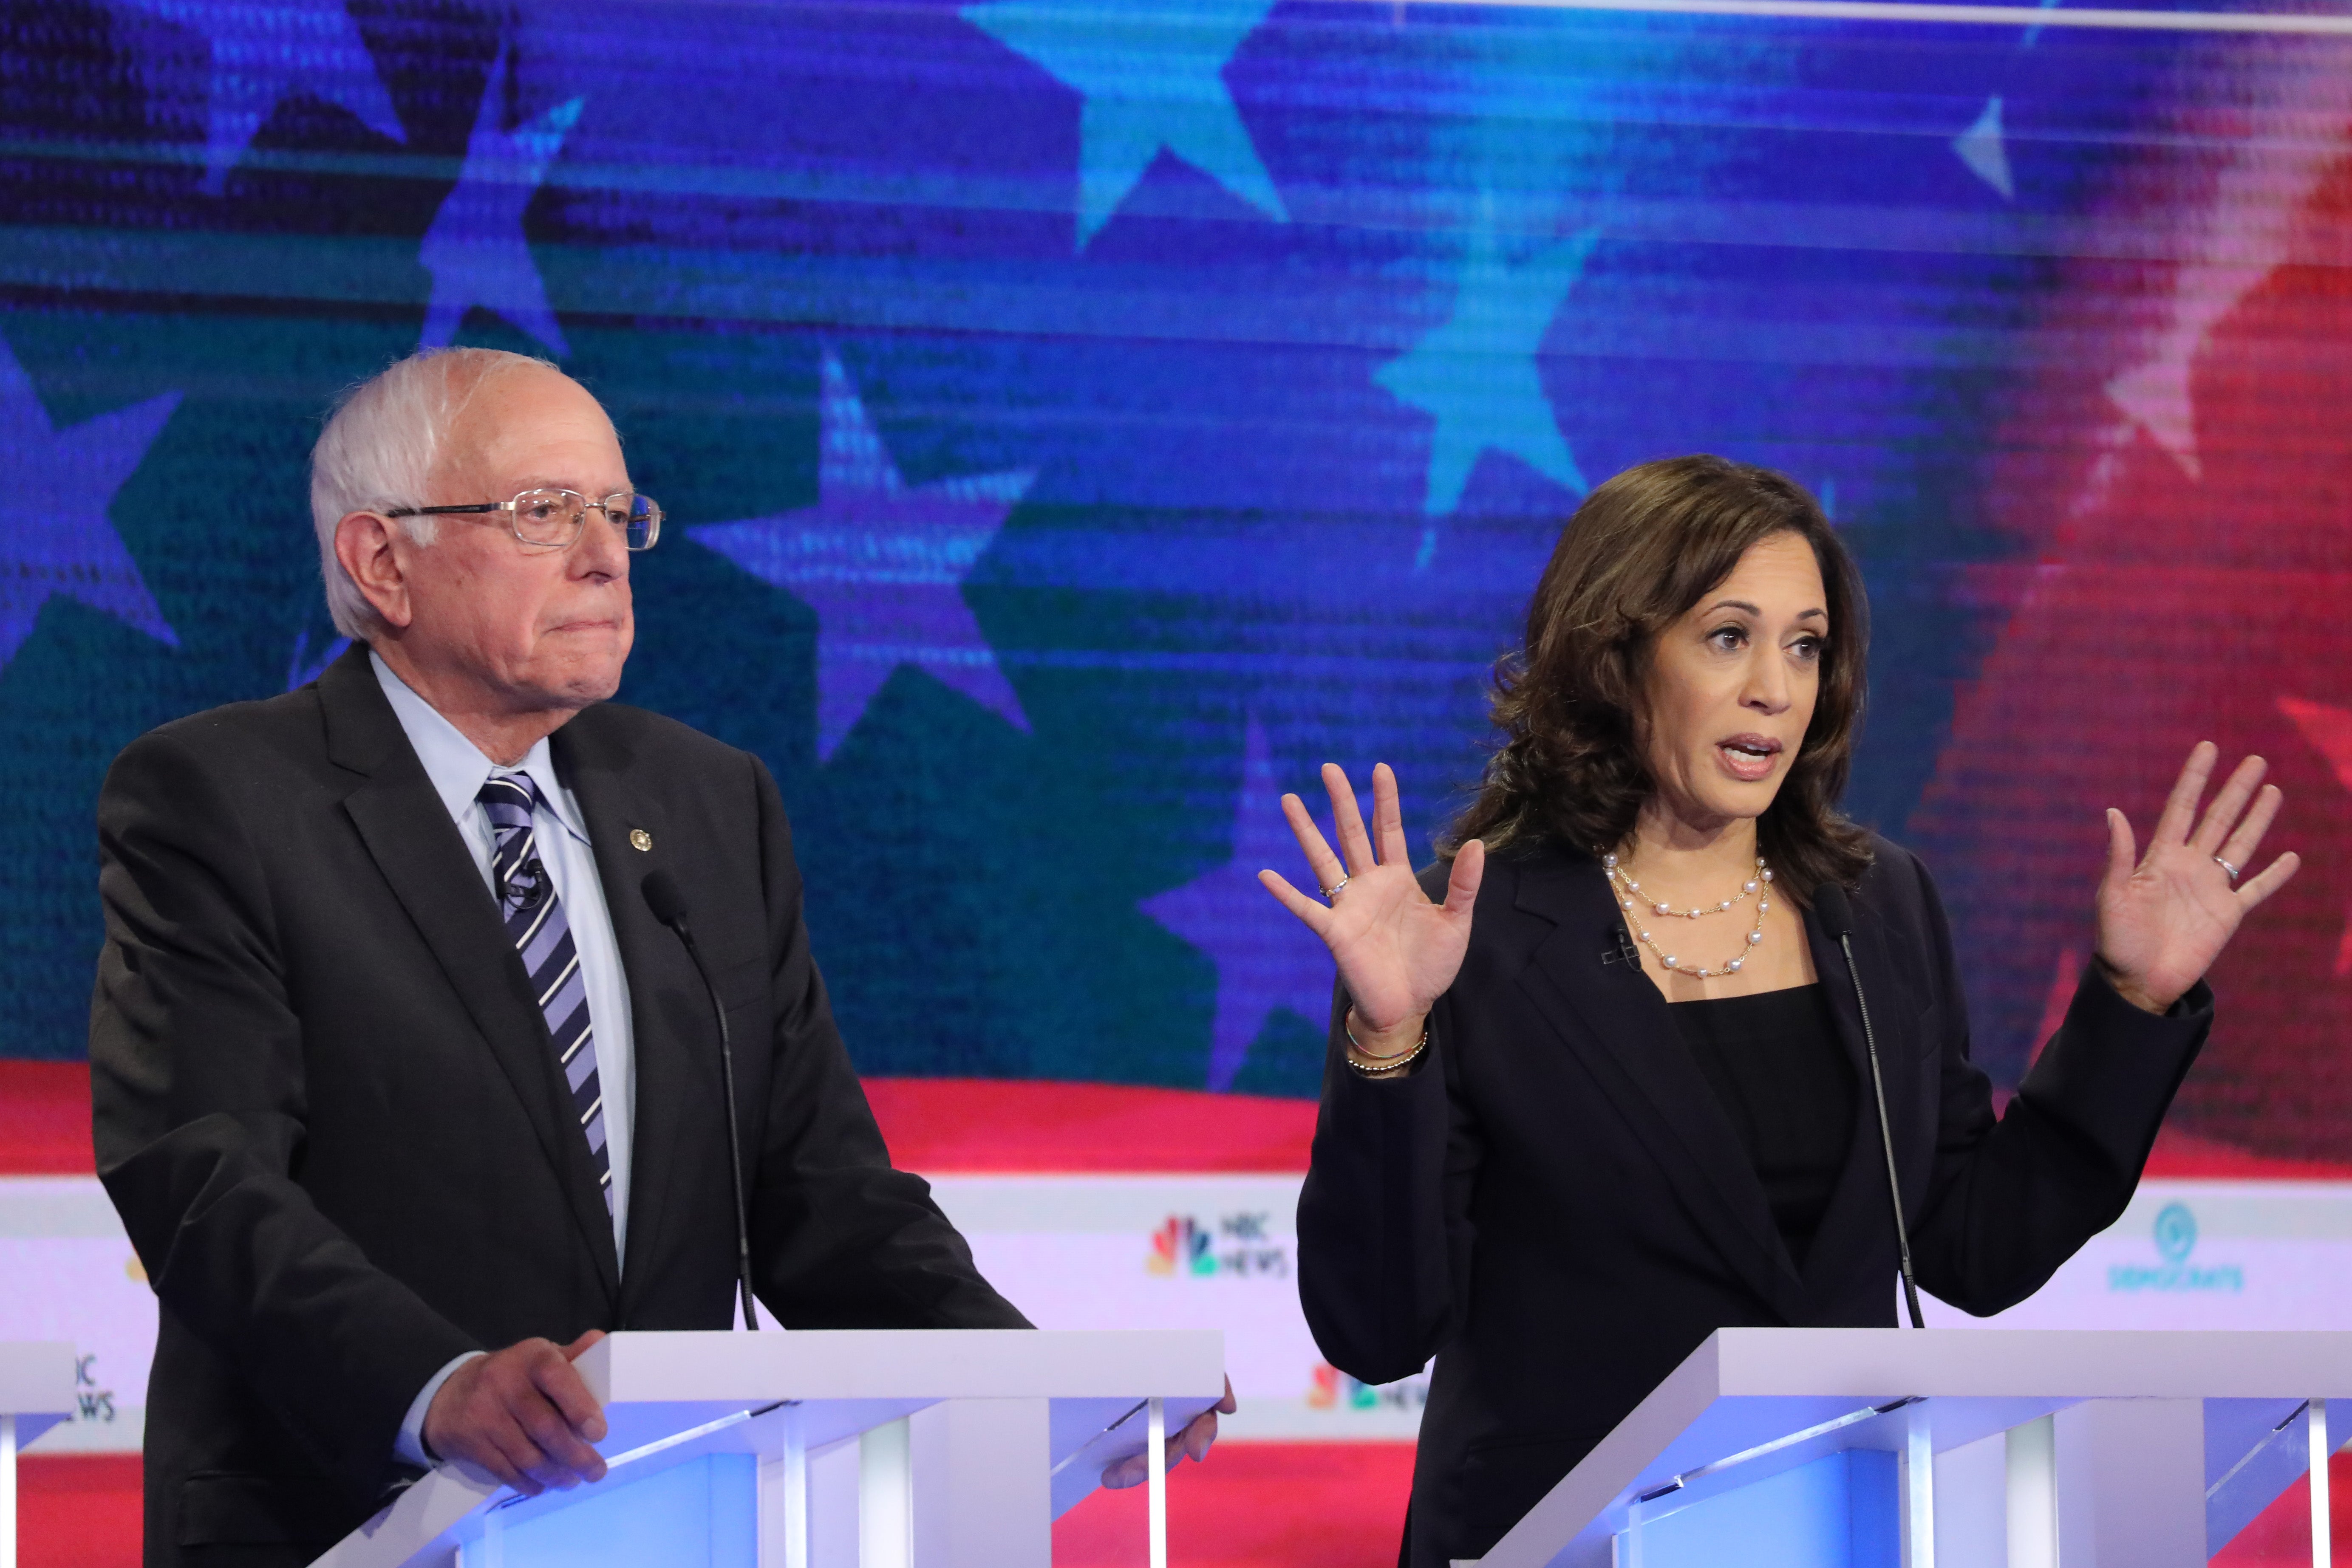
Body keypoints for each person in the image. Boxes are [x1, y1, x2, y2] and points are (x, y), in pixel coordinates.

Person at [89, 347, 1228, 1568]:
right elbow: (203, 1176)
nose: (603, 553)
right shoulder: (225, 797)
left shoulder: (703, 801)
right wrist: (439, 1384)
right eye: (544, 512)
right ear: (382, 562)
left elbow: (820, 1191)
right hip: (339, 1519)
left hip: (666, 1523)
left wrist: (1041, 1383)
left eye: (619, 513)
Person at [1259, 455, 2297, 1568]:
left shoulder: (1875, 905)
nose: (1776, 687)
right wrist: (1390, 1041)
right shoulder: (1472, 932)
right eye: (1728, 636)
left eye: (1804, 644)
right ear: (1616, 659)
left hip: (1841, 1534)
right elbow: (1377, 1329)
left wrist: (2132, 1005)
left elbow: (1972, 1243)